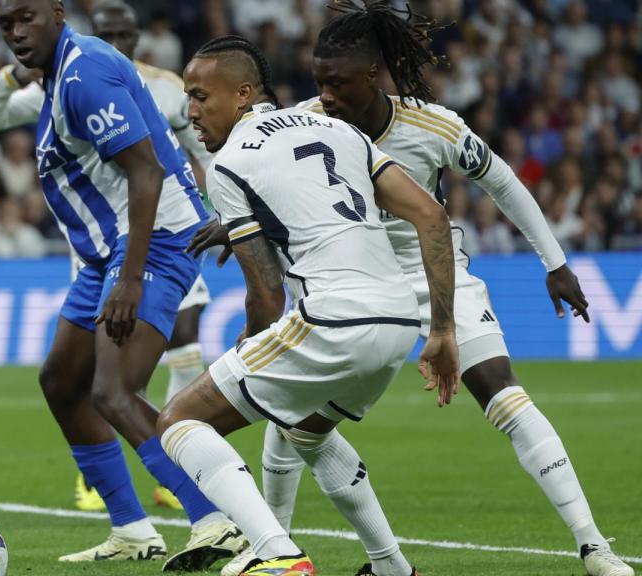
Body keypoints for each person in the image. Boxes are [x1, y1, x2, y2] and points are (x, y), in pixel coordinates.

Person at [205, 3, 634, 575]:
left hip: (431, 275)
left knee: (502, 391)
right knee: (293, 422)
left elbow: (503, 182)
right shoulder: (309, 121)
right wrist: (235, 221)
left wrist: (553, 262)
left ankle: (594, 547)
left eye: (337, 83)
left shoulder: (435, 126)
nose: (325, 95)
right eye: (319, 83)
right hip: (350, 285)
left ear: (374, 75)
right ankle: (275, 550)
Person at [157, 35, 459, 576]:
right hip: (397, 322)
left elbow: (267, 292)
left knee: (180, 420)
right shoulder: (339, 130)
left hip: (333, 318)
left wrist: (251, 339)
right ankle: (391, 567)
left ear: (244, 94)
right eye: (189, 97)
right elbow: (432, 218)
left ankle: (275, 552)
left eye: (202, 96)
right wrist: (442, 330)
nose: (191, 111)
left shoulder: (229, 164)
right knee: (307, 430)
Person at [0, 0, 244, 570]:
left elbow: (147, 168)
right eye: (6, 23)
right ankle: (133, 528)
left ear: (57, 12)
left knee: (114, 391)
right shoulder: (59, 76)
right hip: (103, 256)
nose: (15, 32)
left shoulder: (84, 74)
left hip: (150, 244)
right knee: (62, 381)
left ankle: (216, 520)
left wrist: (129, 279)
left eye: (26, 18)